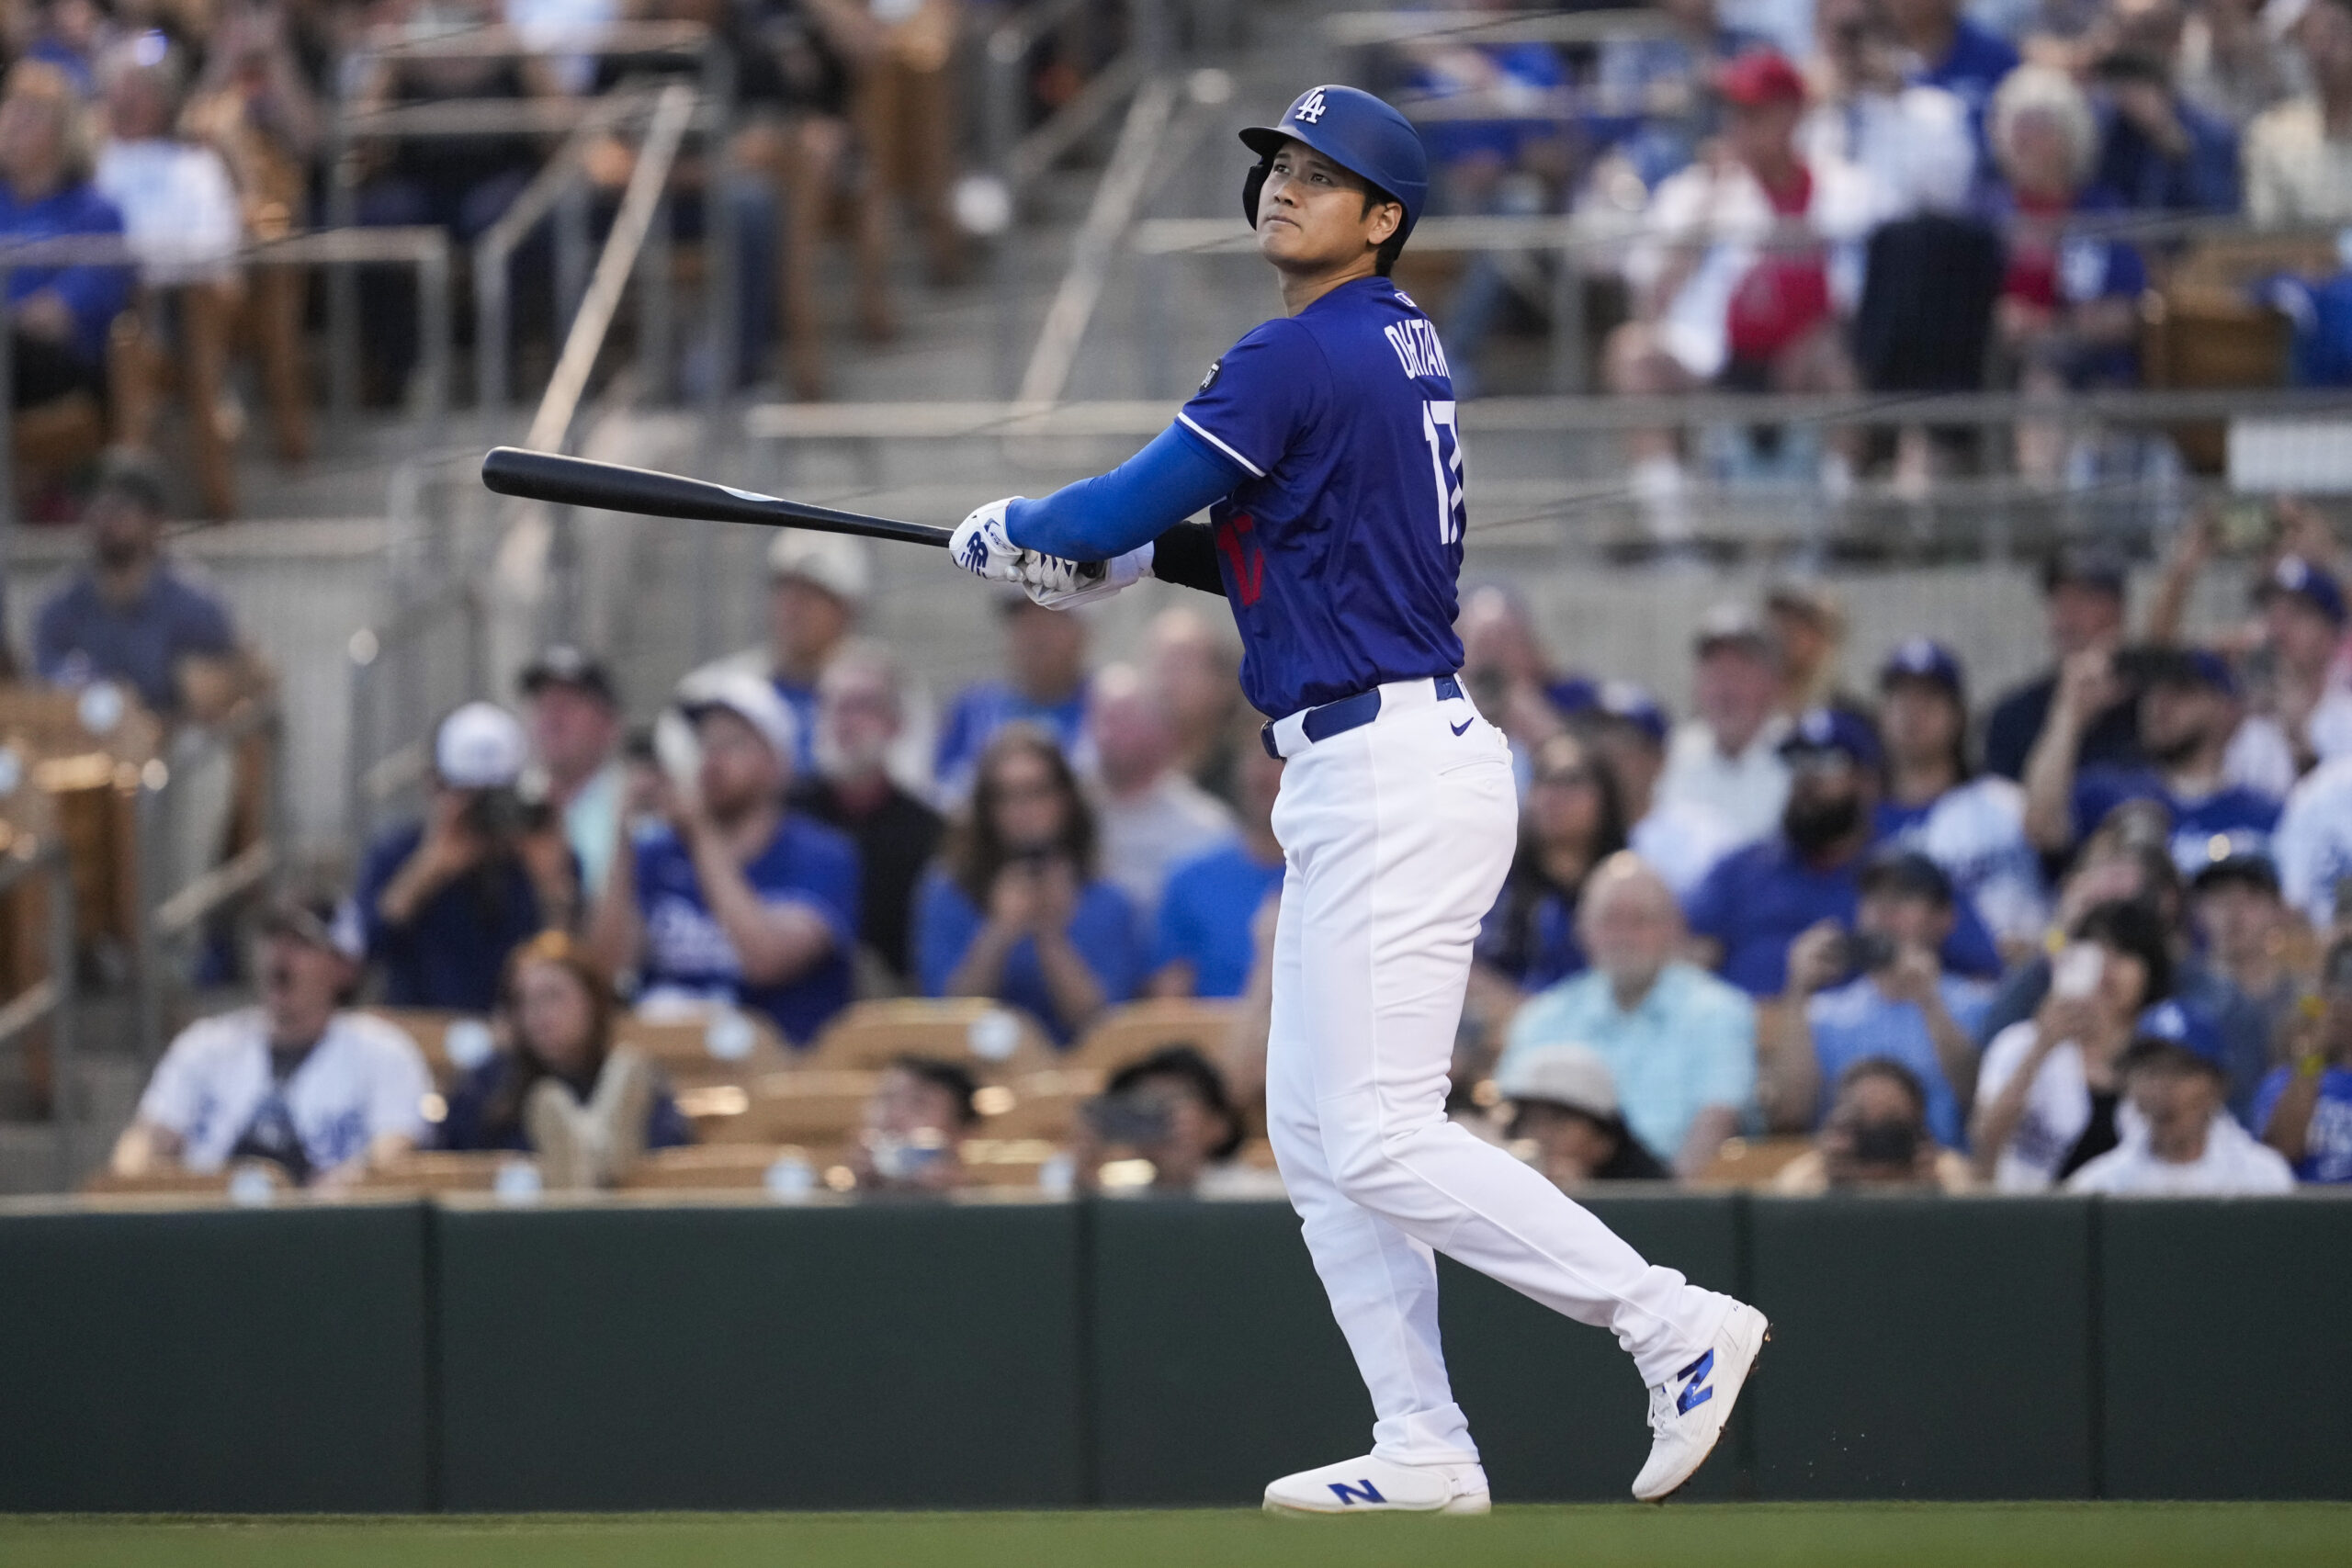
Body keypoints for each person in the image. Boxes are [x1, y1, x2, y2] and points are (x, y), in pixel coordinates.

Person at [941, 85, 1768, 1512]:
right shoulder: (1395, 344)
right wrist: (1130, 560)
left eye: (1322, 176)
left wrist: (1022, 536)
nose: (1284, 187)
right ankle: (1424, 1440)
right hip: (1373, 756)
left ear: (1384, 219)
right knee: (1318, 1138)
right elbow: (1289, 541)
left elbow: (1095, 515)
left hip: (1387, 763)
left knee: (1378, 1128)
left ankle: (1670, 1319)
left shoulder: (1297, 350)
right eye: (1279, 167)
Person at [1603, 52, 1877, 532]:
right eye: (1733, 111)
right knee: (1632, 353)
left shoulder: (1843, 187)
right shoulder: (1691, 191)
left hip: (1807, 355)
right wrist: (1709, 206)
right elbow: (1650, 302)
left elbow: (1864, 294)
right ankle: (1674, 539)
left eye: (1755, 112)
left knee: (1842, 365)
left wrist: (1816, 336)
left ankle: (1834, 532)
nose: (1739, 125)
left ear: (1792, 114)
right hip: (1714, 355)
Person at [590, 671, 859, 1046]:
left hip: (775, 1071)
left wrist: (702, 836)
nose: (712, 760)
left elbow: (767, 960)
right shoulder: (656, 853)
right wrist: (622, 840)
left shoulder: (822, 855)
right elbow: (604, 972)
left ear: (777, 764)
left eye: (732, 744)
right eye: (704, 744)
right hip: (662, 1065)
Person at [108, 892, 429, 1189]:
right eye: (272, 937)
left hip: (330, 1234)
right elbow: (146, 1139)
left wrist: (323, 1198)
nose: (280, 954)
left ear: (344, 966)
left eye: (301, 943)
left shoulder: (384, 1052)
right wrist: (128, 1184)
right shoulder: (205, 1046)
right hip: (208, 1229)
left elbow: (394, 1151)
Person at [1687, 707, 2002, 995]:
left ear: (1867, 781)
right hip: (1749, 1041)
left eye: (1825, 762)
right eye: (1797, 761)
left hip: (1868, 1046)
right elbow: (1683, 960)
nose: (1806, 778)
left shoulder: (1904, 871)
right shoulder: (1742, 869)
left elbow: (1984, 976)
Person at [1501, 854, 1758, 1179]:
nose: (1623, 935)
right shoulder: (1543, 1016)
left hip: (1667, 1202)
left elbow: (1717, 1125)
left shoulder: (1719, 1012)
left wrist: (1657, 1210)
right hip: (1549, 1196)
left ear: (1673, 928)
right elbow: (1509, 1126)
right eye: (1609, 920)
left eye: (1640, 920)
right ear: (1582, 929)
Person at [915, 725, 1140, 1043]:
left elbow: (1101, 1025)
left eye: (1037, 792)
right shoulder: (948, 891)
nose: (1023, 810)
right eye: (1005, 797)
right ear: (985, 808)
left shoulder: (1108, 899)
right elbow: (947, 1017)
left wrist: (1050, 934)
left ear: (1066, 800)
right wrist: (998, 932)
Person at [1984, 67, 2152, 480]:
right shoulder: (1987, 211)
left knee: (2050, 374)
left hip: (2083, 356)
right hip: (1993, 356)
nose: (2021, 140)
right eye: (2013, 126)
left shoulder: (2101, 210)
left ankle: (2047, 511)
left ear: (2069, 137)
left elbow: (2127, 309)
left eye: (2036, 127)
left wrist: (2051, 325)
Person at [357, 703, 572, 1013]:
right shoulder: (396, 852)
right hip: (420, 1032)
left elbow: (577, 967)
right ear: (433, 785)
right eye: (466, 794)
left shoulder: (540, 852)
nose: (481, 813)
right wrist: (425, 873)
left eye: (497, 796)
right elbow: (361, 953)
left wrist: (552, 887)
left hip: (522, 1039)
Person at [435, 931, 691, 1188]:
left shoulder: (635, 1079)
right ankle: (589, 1152)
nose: (540, 1016)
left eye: (553, 996)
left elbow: (671, 1157)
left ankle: (592, 1154)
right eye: (525, 1001)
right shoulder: (489, 1082)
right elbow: (447, 1160)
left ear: (593, 1000)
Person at [1775, 851, 1993, 1147]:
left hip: (1940, 1174)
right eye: (1872, 897)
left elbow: (1976, 1102)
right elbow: (1790, 1117)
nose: (1884, 911)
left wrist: (1929, 1001)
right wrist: (1798, 990)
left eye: (1903, 897)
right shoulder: (1822, 1014)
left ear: (1944, 918)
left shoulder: (1977, 1005)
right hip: (1845, 1177)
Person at [1970, 898, 2176, 1190]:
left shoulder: (2166, 1054)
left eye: (2125, 953)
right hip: (2032, 1217)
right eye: (2098, 950)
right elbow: (1984, 1142)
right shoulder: (2019, 1043)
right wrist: (2041, 1047)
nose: (2108, 968)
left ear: (2150, 972)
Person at [2022, 645, 2282, 874]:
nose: (2159, 702)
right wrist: (2069, 711)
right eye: (2152, 688)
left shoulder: (2264, 814)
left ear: (2228, 710)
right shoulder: (2109, 792)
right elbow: (2042, 828)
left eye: (2181, 690)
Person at [33, 448, 241, 719]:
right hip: (84, 750)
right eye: (96, 507)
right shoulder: (59, 607)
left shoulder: (195, 605)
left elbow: (221, 702)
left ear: (155, 520)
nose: (105, 520)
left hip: (174, 749)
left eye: (120, 509)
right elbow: (42, 693)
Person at [1873, 638, 2046, 948]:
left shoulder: (2006, 803)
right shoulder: (1861, 827)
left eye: (1929, 698)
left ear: (1959, 714)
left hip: (2014, 981)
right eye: (1900, 697)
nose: (1913, 711)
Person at [789, 644, 944, 988]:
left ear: (896, 723)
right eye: (835, 706)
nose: (846, 720)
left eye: (862, 706)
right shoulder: (785, 813)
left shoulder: (930, 832)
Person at [0, 62, 128, 418]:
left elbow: (61, 315)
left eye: (28, 117)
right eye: (8, 111)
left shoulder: (96, 213)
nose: (9, 126)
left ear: (62, 132)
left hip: (61, 365)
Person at [1473, 731, 1627, 998]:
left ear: (1606, 797)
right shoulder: (1492, 886)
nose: (1553, 795)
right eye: (1543, 779)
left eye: (1571, 781)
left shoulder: (1629, 887)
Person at [2064, 1028, 2296, 1193]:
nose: (2163, 1089)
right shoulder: (2098, 1185)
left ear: (2218, 1086)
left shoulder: (2262, 1178)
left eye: (2181, 1072)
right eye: (2150, 1072)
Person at [1086, 663, 1236, 918]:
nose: (1107, 733)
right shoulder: (1074, 816)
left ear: (1161, 728)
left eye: (1121, 719)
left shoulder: (1206, 828)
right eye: (1100, 717)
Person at [1984, 546, 2142, 783]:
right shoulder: (2014, 715)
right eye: (2059, 599)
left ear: (2117, 611)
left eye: (2083, 599)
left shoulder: (2149, 704)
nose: (2067, 616)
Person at [1149, 741, 1285, 999]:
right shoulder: (1188, 879)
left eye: (1282, 761)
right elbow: (1168, 998)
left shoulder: (1336, 876)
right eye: (1257, 759)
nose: (1267, 774)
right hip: (1214, 1034)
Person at [1582, 680, 1740, 898]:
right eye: (1597, 742)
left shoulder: (1701, 837)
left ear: (1659, 759)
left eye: (1622, 744)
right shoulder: (1569, 834)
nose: (1607, 757)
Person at [1656, 604, 1792, 848]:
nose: (1726, 691)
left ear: (1772, 683)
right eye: (1715, 674)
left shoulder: (1800, 756)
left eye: (1739, 674)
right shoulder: (1671, 755)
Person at [934, 596, 1093, 798]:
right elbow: (943, 790)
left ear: (1082, 633)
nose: (1036, 638)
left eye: (1049, 623)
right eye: (1025, 624)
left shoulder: (1106, 707)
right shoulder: (973, 709)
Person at [1770, 1057, 1976, 1192]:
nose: (1876, 1136)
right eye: (1858, 1123)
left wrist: (1929, 1191)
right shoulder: (1809, 1175)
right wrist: (1832, 1187)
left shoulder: (1945, 1173)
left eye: (1891, 1125)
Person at [518, 646, 626, 901]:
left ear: (610, 726)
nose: (553, 716)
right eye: (544, 703)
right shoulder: (508, 804)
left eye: (568, 704)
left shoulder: (634, 814)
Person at [1070, 1044, 1250, 1194]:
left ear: (1219, 1125)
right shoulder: (1121, 1196)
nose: (1158, 1115)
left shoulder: (1254, 1195)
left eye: (1174, 1100)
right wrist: (1087, 1172)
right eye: (1145, 1103)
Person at [1494, 1042, 1672, 1186]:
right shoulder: (1502, 1188)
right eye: (1530, 1121)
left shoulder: (1654, 1195)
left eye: (1558, 1122)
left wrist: (1584, 1195)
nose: (1541, 1135)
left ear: (1603, 1141)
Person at [2245, 0, 2352, 226]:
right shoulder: (2273, 133)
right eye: (2313, 38)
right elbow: (2265, 236)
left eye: (2335, 34)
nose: (2321, 51)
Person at [2254, 935, 2352, 1181]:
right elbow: (2279, 1154)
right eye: (2341, 987)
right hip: (2308, 1214)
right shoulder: (2286, 1081)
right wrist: (2314, 1053)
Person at [2248, 555, 2352, 776]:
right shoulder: (2254, 714)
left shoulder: (2345, 702)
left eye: (2297, 614)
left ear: (2332, 626)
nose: (2279, 628)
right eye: (2272, 613)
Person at [850, 1055, 978, 1193]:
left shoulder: (987, 1206)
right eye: (886, 1099)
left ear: (961, 1132)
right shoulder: (831, 1201)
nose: (893, 1116)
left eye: (918, 1104)